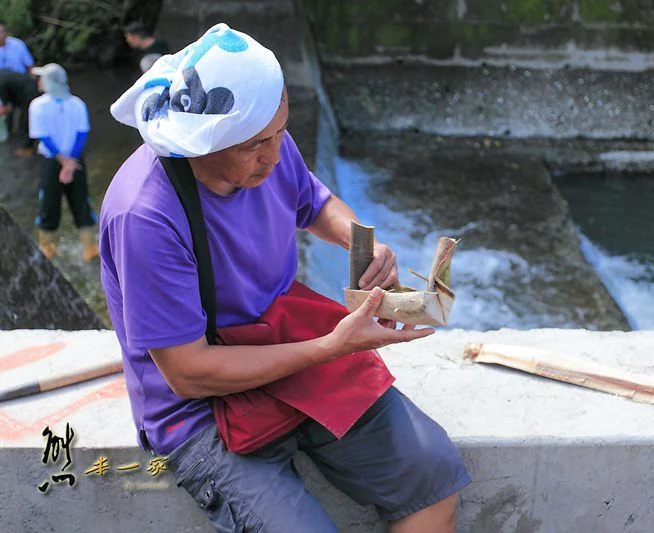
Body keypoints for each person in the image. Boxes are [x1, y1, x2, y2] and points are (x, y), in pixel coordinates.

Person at [101, 23, 470, 533]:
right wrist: (329, 348)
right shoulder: (146, 217)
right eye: (255, 145)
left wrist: (360, 241)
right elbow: (188, 372)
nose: (274, 157)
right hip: (202, 409)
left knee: (431, 476)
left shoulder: (264, 142)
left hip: (284, 344)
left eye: (280, 133)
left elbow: (313, 202)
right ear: (202, 139)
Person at [28, 63, 98, 261]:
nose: (39, 81)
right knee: (81, 201)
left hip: (52, 161)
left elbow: (43, 136)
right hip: (76, 160)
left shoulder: (37, 105)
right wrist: (71, 161)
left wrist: (63, 162)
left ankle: (47, 247)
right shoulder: (77, 103)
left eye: (42, 78)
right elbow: (82, 133)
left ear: (49, 82)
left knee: (49, 204)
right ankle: (90, 248)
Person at [0, 68, 39, 155]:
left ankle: (27, 148)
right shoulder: (2, 75)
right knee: (24, 120)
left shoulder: (1, 82)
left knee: (26, 121)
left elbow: (4, 108)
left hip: (29, 95)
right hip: (24, 90)